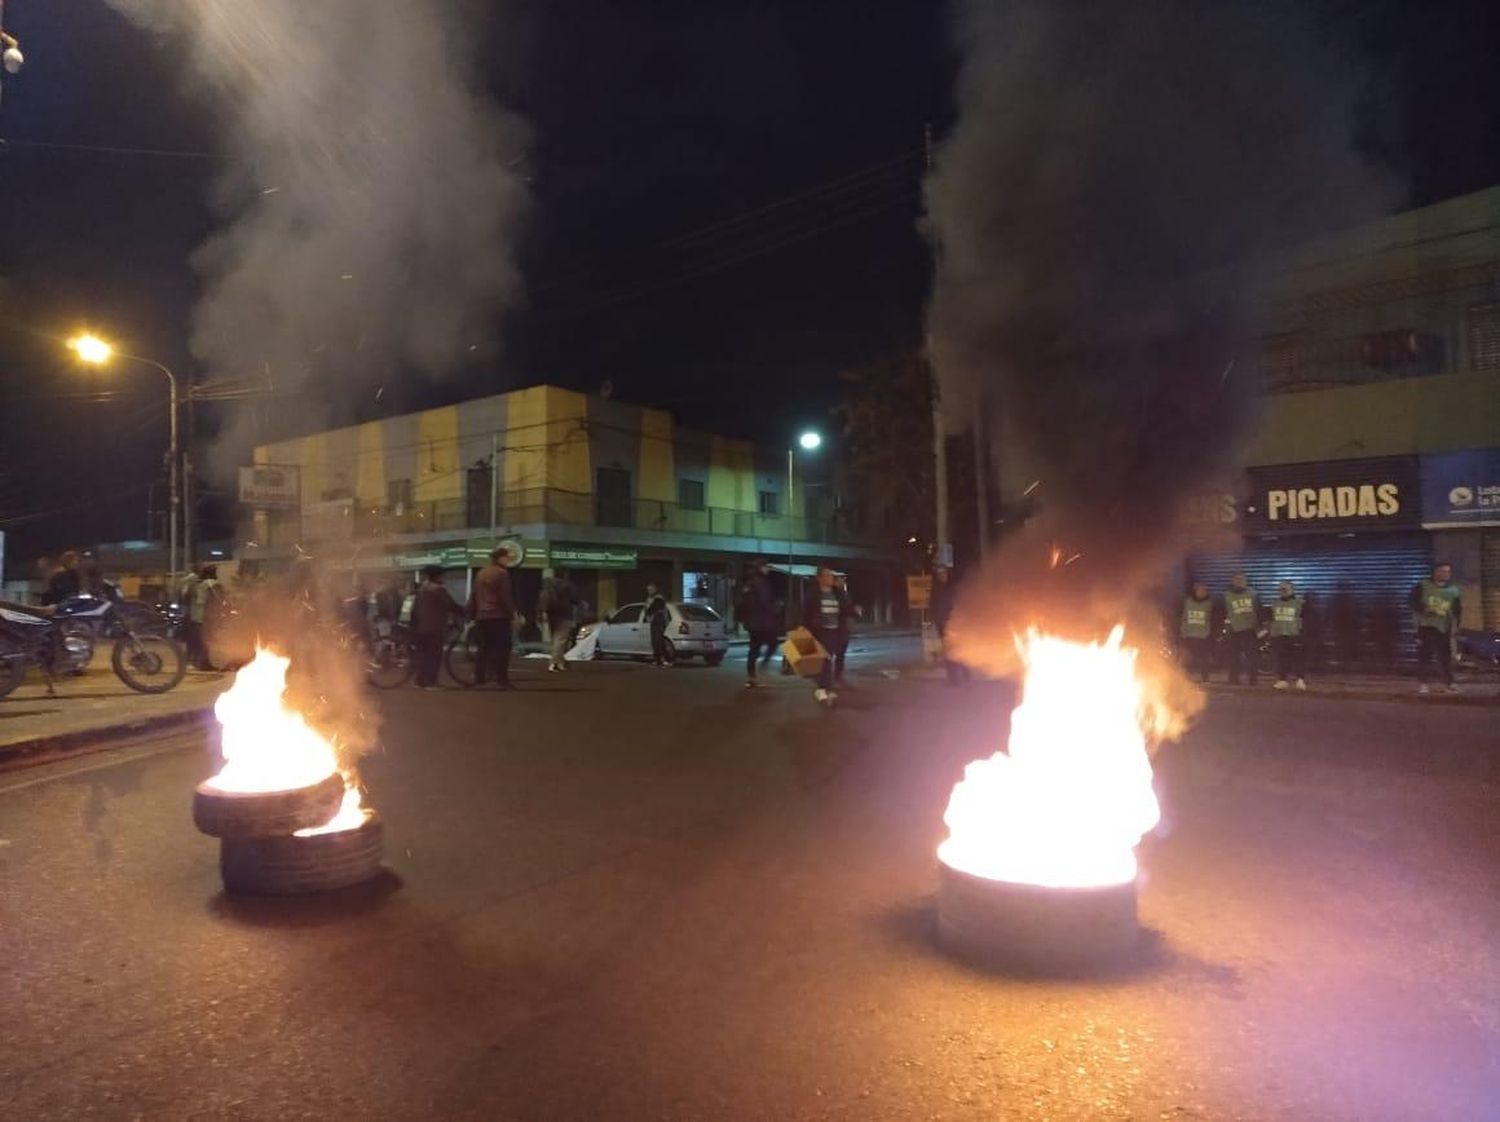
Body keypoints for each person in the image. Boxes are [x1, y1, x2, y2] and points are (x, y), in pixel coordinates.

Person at [802, 564, 853, 705]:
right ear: (820, 578)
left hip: (836, 630)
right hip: (820, 631)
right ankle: (825, 689)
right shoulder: (812, 593)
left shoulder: (838, 592)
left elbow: (847, 608)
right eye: (828, 575)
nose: (831, 578)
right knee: (825, 660)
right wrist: (805, 628)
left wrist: (855, 611)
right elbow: (806, 611)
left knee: (829, 659)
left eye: (831, 575)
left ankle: (824, 688)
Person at [468, 546, 517, 688]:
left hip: (482, 616)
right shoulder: (502, 573)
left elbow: (474, 595)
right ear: (501, 558)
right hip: (498, 615)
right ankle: (501, 679)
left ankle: (479, 679)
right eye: (507, 557)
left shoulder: (481, 573)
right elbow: (505, 596)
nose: (508, 560)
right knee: (503, 648)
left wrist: (472, 612)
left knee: (483, 648)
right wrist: (513, 613)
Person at [1411, 561, 1462, 694]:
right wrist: (1424, 609)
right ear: (1435, 572)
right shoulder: (1423, 585)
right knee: (1425, 655)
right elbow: (1412, 602)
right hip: (1425, 626)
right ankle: (1423, 683)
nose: (1446, 574)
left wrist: (1457, 626)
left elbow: (1457, 610)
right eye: (1443, 571)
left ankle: (1449, 683)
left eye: (1448, 572)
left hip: (1444, 627)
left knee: (1445, 656)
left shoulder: (1453, 590)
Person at [412, 565, 462, 689]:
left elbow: (415, 608)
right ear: (438, 576)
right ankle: (431, 682)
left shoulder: (421, 588)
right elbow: (450, 604)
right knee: (434, 655)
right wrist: (464, 611)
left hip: (420, 627)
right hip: (434, 627)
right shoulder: (438, 589)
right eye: (443, 575)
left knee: (423, 655)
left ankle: (419, 681)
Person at [737, 559, 781, 687]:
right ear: (761, 568)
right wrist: (775, 608)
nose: (768, 569)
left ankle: (751, 677)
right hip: (762, 622)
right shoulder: (761, 582)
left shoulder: (749, 582)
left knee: (754, 649)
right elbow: (764, 601)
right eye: (766, 566)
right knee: (773, 643)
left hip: (753, 622)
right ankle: (763, 665)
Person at [1222, 572, 1262, 686]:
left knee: (1253, 656)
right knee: (1233, 657)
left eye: (1241, 579)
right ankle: (1233, 679)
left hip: (1250, 630)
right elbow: (1223, 612)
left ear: (1245, 581)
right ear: (1233, 581)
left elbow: (1260, 610)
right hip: (1234, 630)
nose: (1239, 581)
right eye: (1237, 579)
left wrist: (1262, 628)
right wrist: (1224, 628)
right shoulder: (1227, 595)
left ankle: (1253, 679)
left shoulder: (1253, 594)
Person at [930, 566, 968, 685]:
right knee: (949, 653)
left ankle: (966, 676)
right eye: (939, 574)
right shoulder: (936, 589)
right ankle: (953, 679)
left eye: (943, 573)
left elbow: (960, 606)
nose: (942, 576)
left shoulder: (954, 589)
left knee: (960, 651)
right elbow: (933, 606)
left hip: (955, 625)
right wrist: (935, 621)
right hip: (942, 625)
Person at [1269, 580, 1307, 690]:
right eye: (1280, 589)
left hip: (1293, 634)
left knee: (1297, 658)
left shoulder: (1299, 603)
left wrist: (1303, 633)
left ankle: (1300, 680)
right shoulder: (1275, 603)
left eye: (1285, 589)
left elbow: (1305, 618)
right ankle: (1282, 680)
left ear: (1291, 590)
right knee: (1280, 658)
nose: (1282, 591)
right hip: (1278, 634)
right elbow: (1271, 618)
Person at [538, 569, 579, 672]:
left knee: (555, 639)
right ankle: (554, 663)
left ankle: (561, 662)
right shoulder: (567, 585)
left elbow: (542, 601)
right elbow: (575, 599)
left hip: (551, 615)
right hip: (565, 615)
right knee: (560, 640)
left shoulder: (548, 585)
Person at [187, 564, 222, 671]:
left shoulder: (199, 584)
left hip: (196, 616)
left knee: (199, 641)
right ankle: (204, 663)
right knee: (207, 641)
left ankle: (197, 662)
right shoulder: (213, 585)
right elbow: (218, 600)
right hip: (207, 616)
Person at [1179, 581, 1214, 684]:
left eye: (1204, 590)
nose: (1201, 592)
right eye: (1199, 590)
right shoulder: (1187, 602)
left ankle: (1205, 678)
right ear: (1195, 590)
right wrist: (1183, 632)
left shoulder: (1210, 604)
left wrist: (1211, 632)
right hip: (1189, 635)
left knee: (1204, 658)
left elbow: (1213, 619)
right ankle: (1186, 678)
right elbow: (1183, 617)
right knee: (1188, 658)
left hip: (1204, 635)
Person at [645, 584, 672, 667]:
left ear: (655, 590)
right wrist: (648, 617)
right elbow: (647, 609)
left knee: (659, 641)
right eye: (648, 590)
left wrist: (649, 614)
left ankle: (666, 660)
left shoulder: (658, 598)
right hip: (654, 622)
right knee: (655, 642)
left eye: (651, 589)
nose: (649, 591)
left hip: (659, 622)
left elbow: (654, 608)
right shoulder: (650, 599)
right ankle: (658, 660)